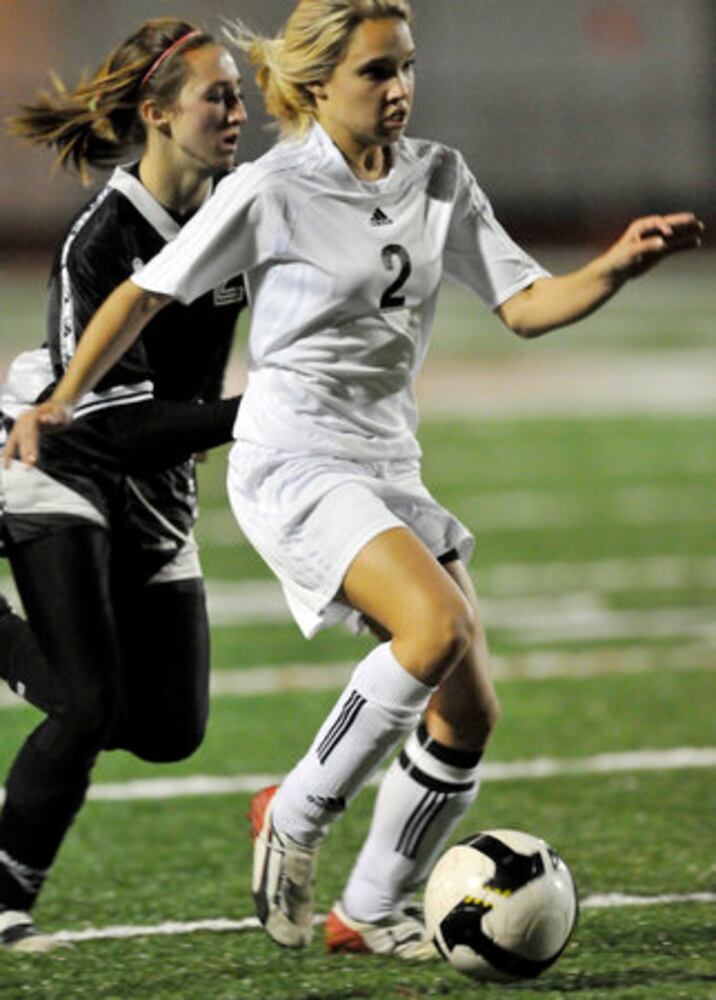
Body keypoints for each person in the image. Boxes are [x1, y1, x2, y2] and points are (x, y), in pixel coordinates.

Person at [5, 0, 703, 962]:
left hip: (385, 462)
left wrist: (615, 267)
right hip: (293, 458)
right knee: (436, 627)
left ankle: (369, 907)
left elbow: (525, 304)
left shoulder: (439, 174)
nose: (399, 88)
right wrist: (60, 399)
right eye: (376, 71)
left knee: (468, 712)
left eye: (406, 66)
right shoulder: (273, 186)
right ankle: (292, 816)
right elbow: (141, 294)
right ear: (318, 85)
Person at [0, 18, 248, 951]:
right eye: (217, 96)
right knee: (84, 702)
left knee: (170, 727)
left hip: (154, 473)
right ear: (158, 113)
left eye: (239, 95)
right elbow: (112, 424)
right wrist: (266, 411)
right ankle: (5, 889)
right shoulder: (99, 239)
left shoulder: (238, 211)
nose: (238, 112)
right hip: (60, 459)